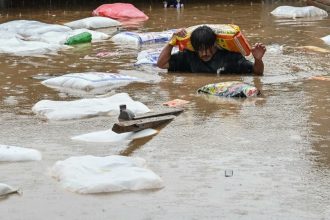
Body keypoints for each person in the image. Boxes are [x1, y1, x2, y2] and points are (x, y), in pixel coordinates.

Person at [157, 25, 266, 75]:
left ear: (214, 44)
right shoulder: (188, 57)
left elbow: (257, 73)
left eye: (207, 48)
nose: (204, 53)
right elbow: (161, 64)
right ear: (195, 49)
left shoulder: (230, 58)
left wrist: (258, 59)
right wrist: (172, 42)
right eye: (200, 50)